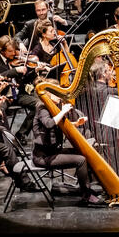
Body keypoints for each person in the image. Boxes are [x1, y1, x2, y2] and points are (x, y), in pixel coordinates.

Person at [32, 78, 102, 206]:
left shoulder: (52, 107)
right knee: (81, 160)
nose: (60, 95)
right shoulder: (42, 108)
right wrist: (63, 111)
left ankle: (86, 188)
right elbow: (49, 124)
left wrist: (76, 123)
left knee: (86, 150)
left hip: (53, 151)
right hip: (43, 157)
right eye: (56, 93)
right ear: (48, 94)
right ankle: (86, 195)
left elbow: (59, 126)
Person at [0, 35, 38, 145]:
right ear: (2, 51)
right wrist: (15, 70)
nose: (14, 54)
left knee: (39, 105)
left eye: (14, 50)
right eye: (10, 51)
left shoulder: (15, 59)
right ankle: (7, 142)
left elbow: (24, 78)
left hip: (18, 94)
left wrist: (34, 70)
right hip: (4, 95)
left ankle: (22, 134)